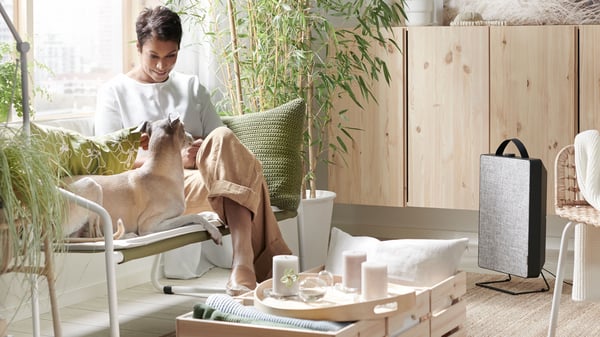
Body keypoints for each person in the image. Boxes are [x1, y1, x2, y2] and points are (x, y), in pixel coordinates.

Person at [95, 5, 292, 295]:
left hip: (204, 180)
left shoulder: (191, 87)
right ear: (138, 47)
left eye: (170, 56)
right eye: (154, 56)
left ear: (178, 50)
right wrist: (169, 157)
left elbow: (220, 143)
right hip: (153, 192)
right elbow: (110, 160)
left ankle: (243, 263)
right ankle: (257, 266)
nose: (162, 65)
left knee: (225, 141)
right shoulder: (115, 93)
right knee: (247, 177)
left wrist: (198, 151)